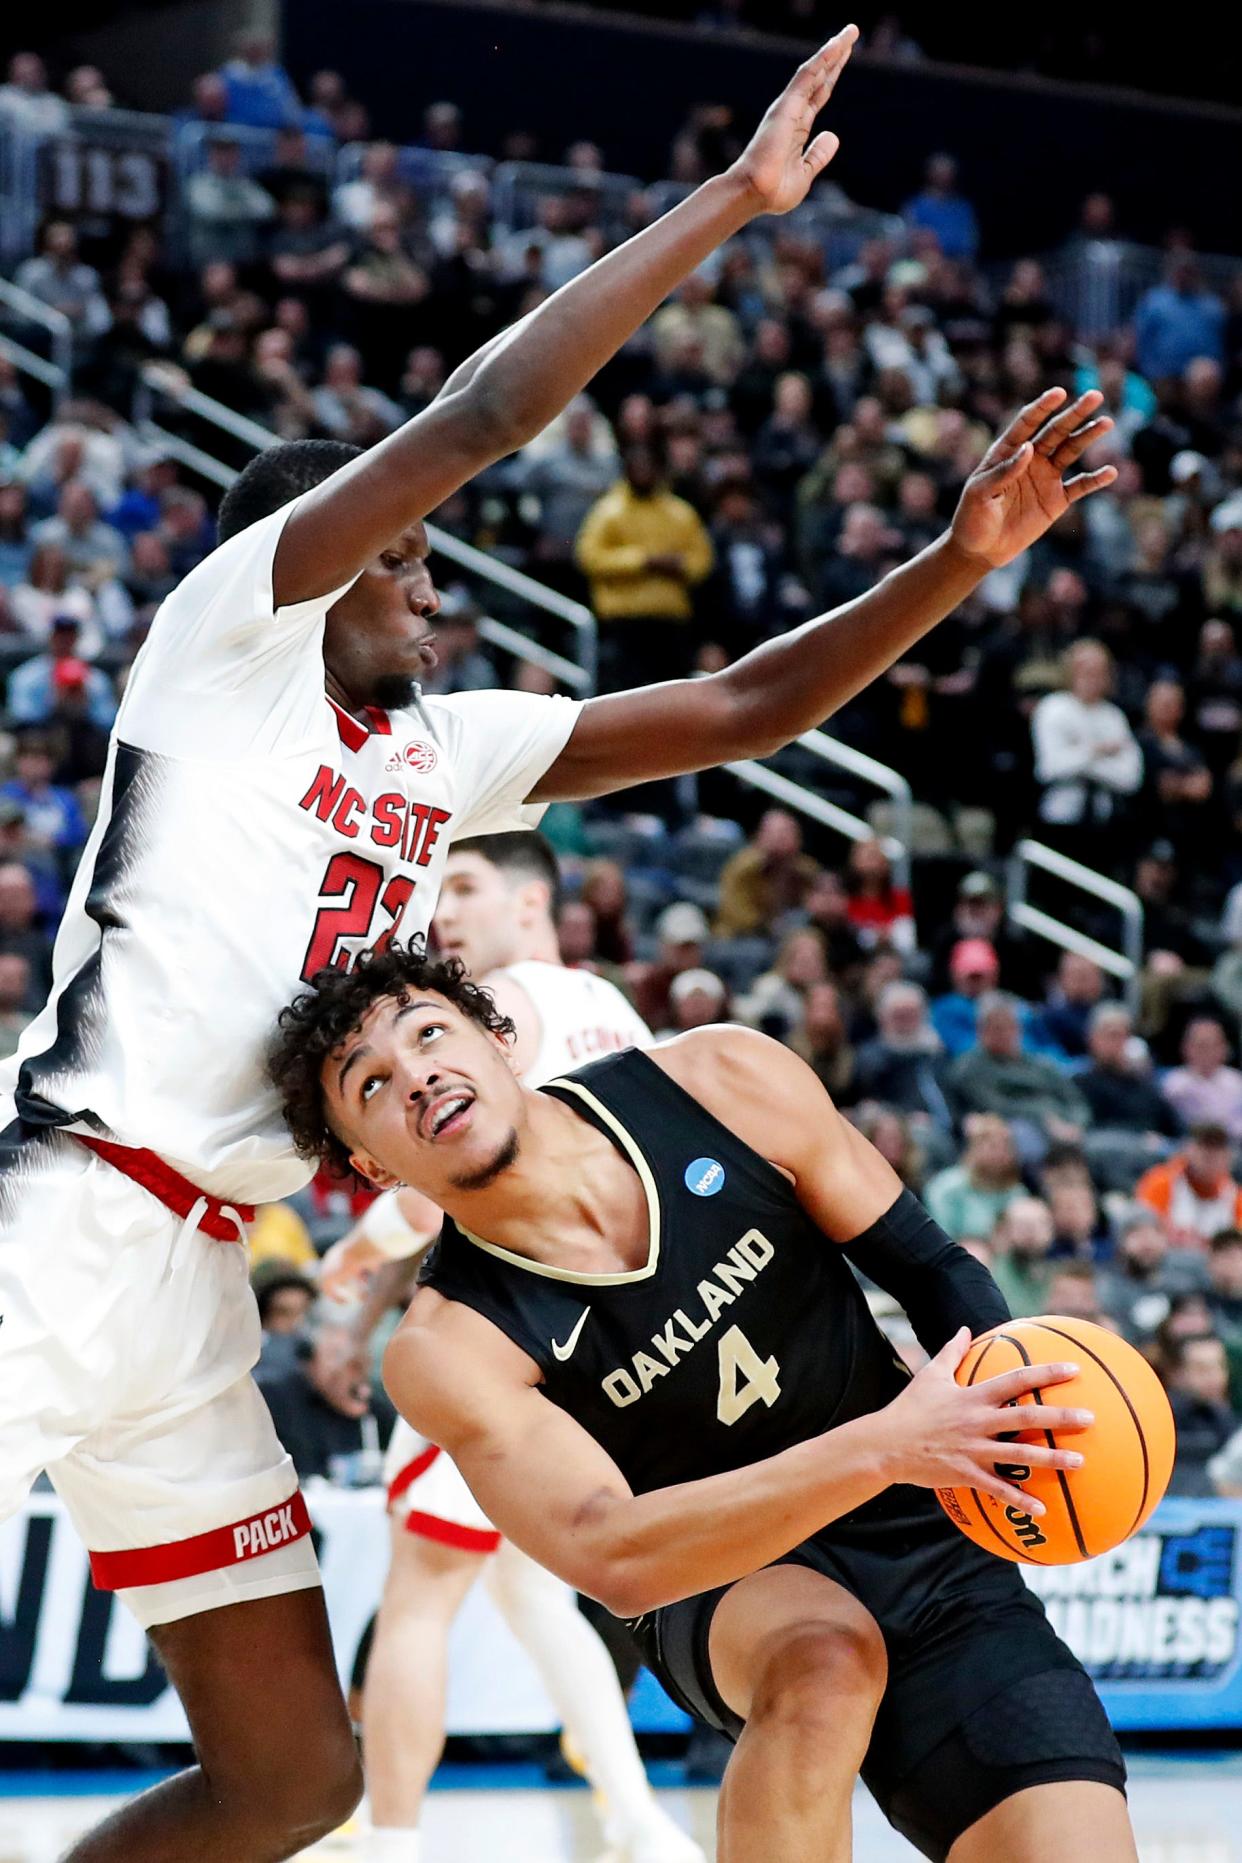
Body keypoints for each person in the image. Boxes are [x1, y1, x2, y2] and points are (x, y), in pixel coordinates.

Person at [0, 32, 1118, 1858]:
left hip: (198, 1289)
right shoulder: (223, 648)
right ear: (312, 549)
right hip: (66, 1214)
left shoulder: (439, 758)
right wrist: (734, 207)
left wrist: (954, 559)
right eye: (409, 562)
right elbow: (478, 416)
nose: (437, 590)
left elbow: (748, 701)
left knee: (295, 1781)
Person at [270, 947, 1132, 1863]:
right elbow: (617, 1553)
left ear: (499, 1037)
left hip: (924, 1529)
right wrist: (884, 1448)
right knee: (826, 1662)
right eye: (371, 1084)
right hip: (717, 1575)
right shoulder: (449, 1349)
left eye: (431, 1032)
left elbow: (932, 1268)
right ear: (369, 1165)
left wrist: (1010, 1415)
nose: (417, 1075)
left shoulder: (723, 1080)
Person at [324, 833, 695, 1863]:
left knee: (420, 1590)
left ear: (532, 904)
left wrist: (355, 1255)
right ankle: (634, 1819)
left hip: (518, 1336)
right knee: (531, 1589)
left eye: (467, 887)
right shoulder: (616, 1013)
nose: (441, 910)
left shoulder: (504, 1011)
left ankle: (391, 1838)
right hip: (611, 1344)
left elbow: (440, 1174)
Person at [1135, 1123, 1242, 1246]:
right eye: (1204, 1146)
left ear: (1229, 1157)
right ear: (1189, 1149)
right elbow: (1142, 1231)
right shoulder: (1161, 1182)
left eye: (1218, 1148)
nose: (1211, 1154)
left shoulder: (1236, 1198)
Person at [1160, 1016, 1242, 1143]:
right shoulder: (1174, 1083)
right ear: (1186, 1048)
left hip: (1233, 1148)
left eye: (1213, 1045)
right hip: (1189, 1147)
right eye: (1201, 1045)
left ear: (1224, 1048)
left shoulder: (1236, 1081)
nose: (1207, 1052)